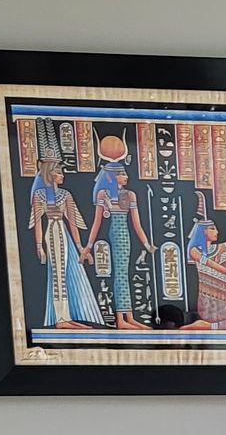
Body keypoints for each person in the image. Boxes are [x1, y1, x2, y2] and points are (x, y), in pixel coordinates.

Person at [82, 134, 155, 330]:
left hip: (125, 236)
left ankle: (129, 316)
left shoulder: (130, 194)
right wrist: (88, 247)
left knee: (125, 273)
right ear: (113, 177)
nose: (126, 176)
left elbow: (137, 224)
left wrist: (148, 245)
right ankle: (120, 319)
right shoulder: (103, 195)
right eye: (122, 173)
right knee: (119, 274)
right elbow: (96, 223)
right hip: (115, 233)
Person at [29, 159, 104, 331]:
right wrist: (39, 245)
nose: (62, 176)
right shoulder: (39, 195)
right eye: (59, 172)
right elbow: (38, 223)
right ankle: (61, 319)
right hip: (53, 232)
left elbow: (72, 223)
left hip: (64, 233)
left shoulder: (66, 194)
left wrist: (80, 248)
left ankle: (66, 317)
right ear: (50, 174)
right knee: (58, 275)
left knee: (66, 273)